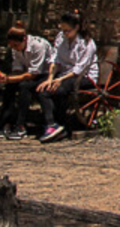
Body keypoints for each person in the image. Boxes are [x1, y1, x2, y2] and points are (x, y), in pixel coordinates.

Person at [35, 9, 98, 144]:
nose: (65, 33)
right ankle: (52, 124)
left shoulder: (87, 44)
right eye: (63, 30)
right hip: (63, 74)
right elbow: (55, 59)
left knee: (60, 89)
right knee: (43, 88)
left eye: (67, 31)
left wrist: (60, 80)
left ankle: (61, 122)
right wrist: (50, 79)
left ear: (77, 27)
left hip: (84, 77)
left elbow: (79, 68)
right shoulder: (61, 38)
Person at [0, 21, 54, 140]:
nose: (14, 48)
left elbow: (33, 74)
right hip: (27, 74)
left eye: (16, 45)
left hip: (43, 75)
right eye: (12, 46)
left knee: (24, 87)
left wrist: (10, 79)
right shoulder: (15, 49)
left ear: (24, 40)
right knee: (9, 87)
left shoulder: (38, 46)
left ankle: (20, 126)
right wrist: (7, 79)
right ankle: (7, 123)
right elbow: (18, 68)